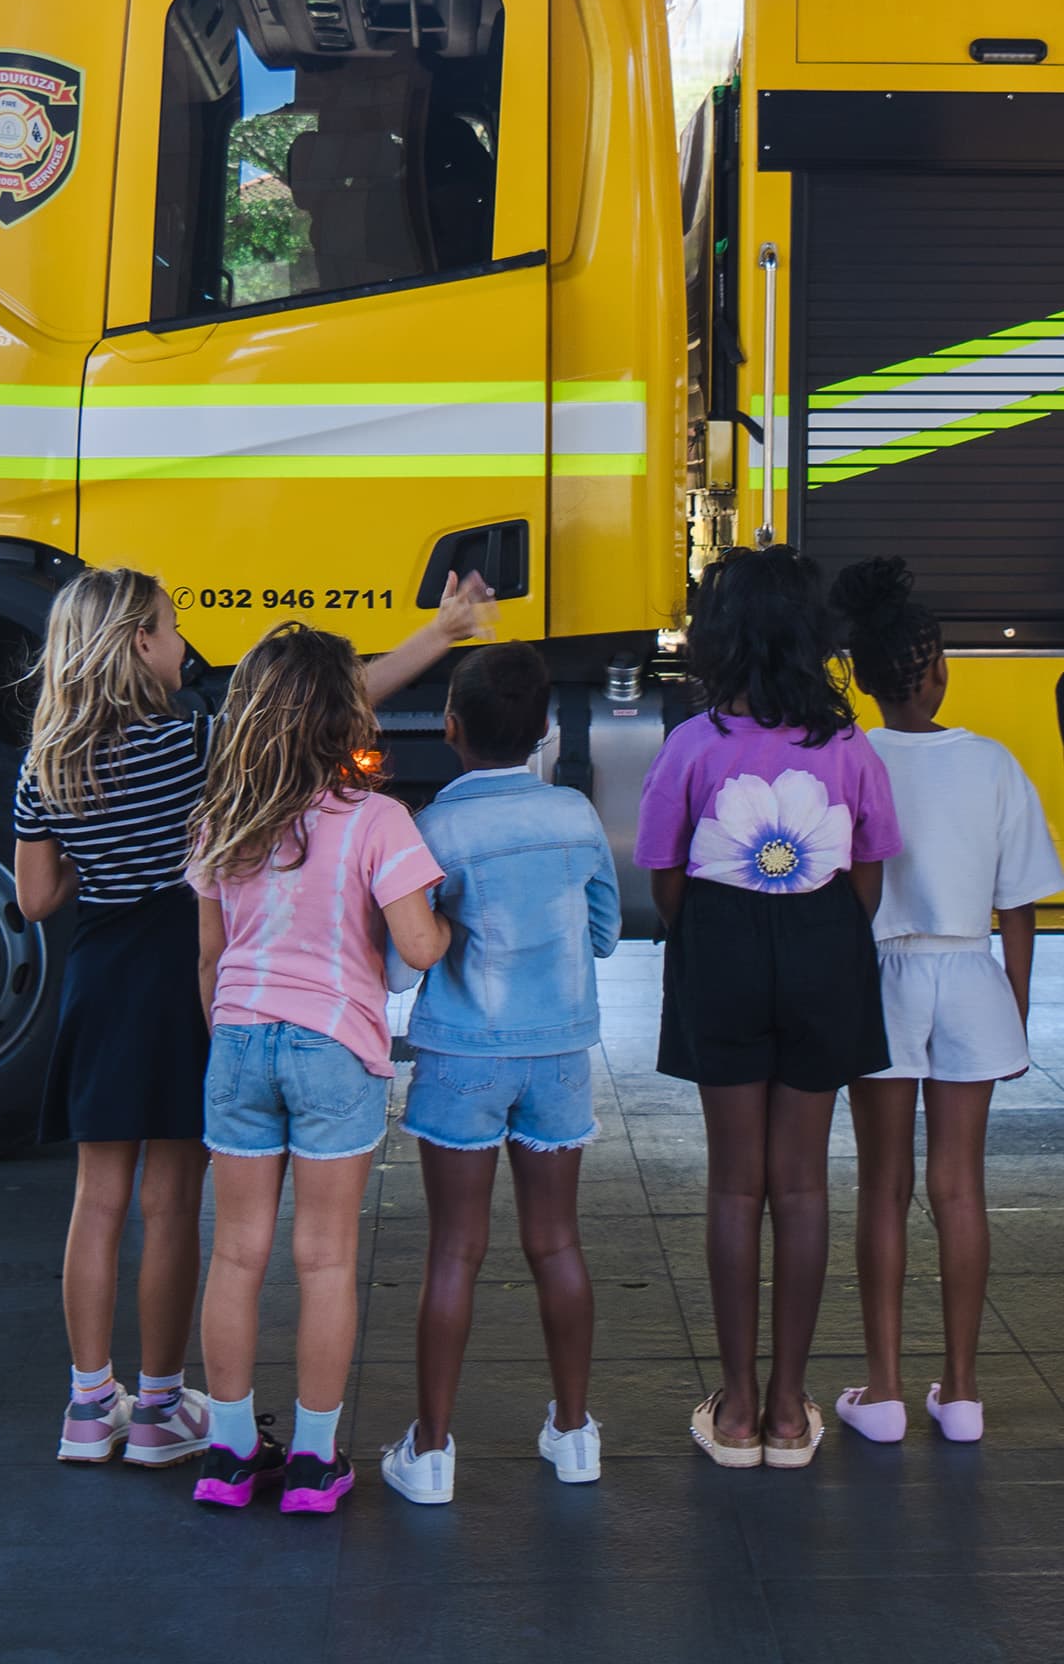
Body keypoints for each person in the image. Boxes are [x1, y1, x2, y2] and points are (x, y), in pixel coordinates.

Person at [13, 565, 492, 1471]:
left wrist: (100, 850)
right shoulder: (193, 741)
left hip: (100, 976)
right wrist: (437, 636)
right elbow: (311, 706)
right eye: (171, 627)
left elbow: (36, 899)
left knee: (97, 1197)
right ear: (139, 645)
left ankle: (87, 1405)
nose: (183, 643)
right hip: (191, 974)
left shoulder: (46, 763)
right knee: (170, 1201)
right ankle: (159, 1408)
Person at [633, 546, 902, 1470]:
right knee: (802, 1183)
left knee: (734, 1184)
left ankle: (738, 1408)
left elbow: (663, 874)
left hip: (721, 945)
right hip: (825, 943)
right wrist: (820, 934)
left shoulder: (693, 743)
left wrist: (718, 932)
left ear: (721, 639)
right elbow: (869, 868)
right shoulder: (848, 744)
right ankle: (791, 1411)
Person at [188, 624, 451, 1513]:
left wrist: (231, 1038)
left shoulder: (225, 818)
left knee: (236, 1255)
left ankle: (229, 1454)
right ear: (350, 716)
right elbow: (419, 944)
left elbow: (210, 957)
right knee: (327, 1258)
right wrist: (448, 925)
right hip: (333, 1045)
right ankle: (311, 1459)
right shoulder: (377, 820)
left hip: (237, 1040)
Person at [830, 557, 1064, 1445]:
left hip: (880, 978)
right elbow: (1021, 904)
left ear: (863, 677)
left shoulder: (849, 758)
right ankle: (962, 1394)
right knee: (960, 1188)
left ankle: (884, 1392)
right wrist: (1013, 1004)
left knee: (882, 1188)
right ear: (939, 671)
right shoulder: (993, 764)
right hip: (970, 973)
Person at [380, 643, 621, 1504]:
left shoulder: (434, 830)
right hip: (559, 1057)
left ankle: (432, 1452)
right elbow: (603, 934)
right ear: (546, 728)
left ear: (449, 726)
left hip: (463, 1056)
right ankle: (574, 1433)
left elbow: (402, 965)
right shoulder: (575, 815)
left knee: (456, 1248)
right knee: (556, 1242)